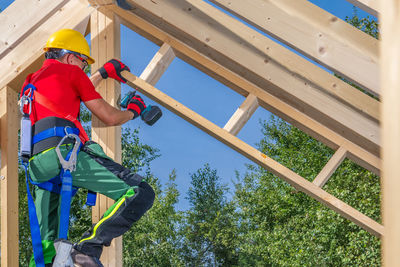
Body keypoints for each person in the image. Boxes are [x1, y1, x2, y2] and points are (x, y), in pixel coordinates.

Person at [20, 29, 155, 267]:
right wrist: (133, 112)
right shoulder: (72, 72)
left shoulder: (31, 81)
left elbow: (68, 92)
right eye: (83, 62)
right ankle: (86, 249)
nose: (83, 68)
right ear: (71, 57)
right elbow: (110, 117)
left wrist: (102, 74)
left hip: (38, 167)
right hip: (66, 156)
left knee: (45, 252)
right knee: (139, 193)